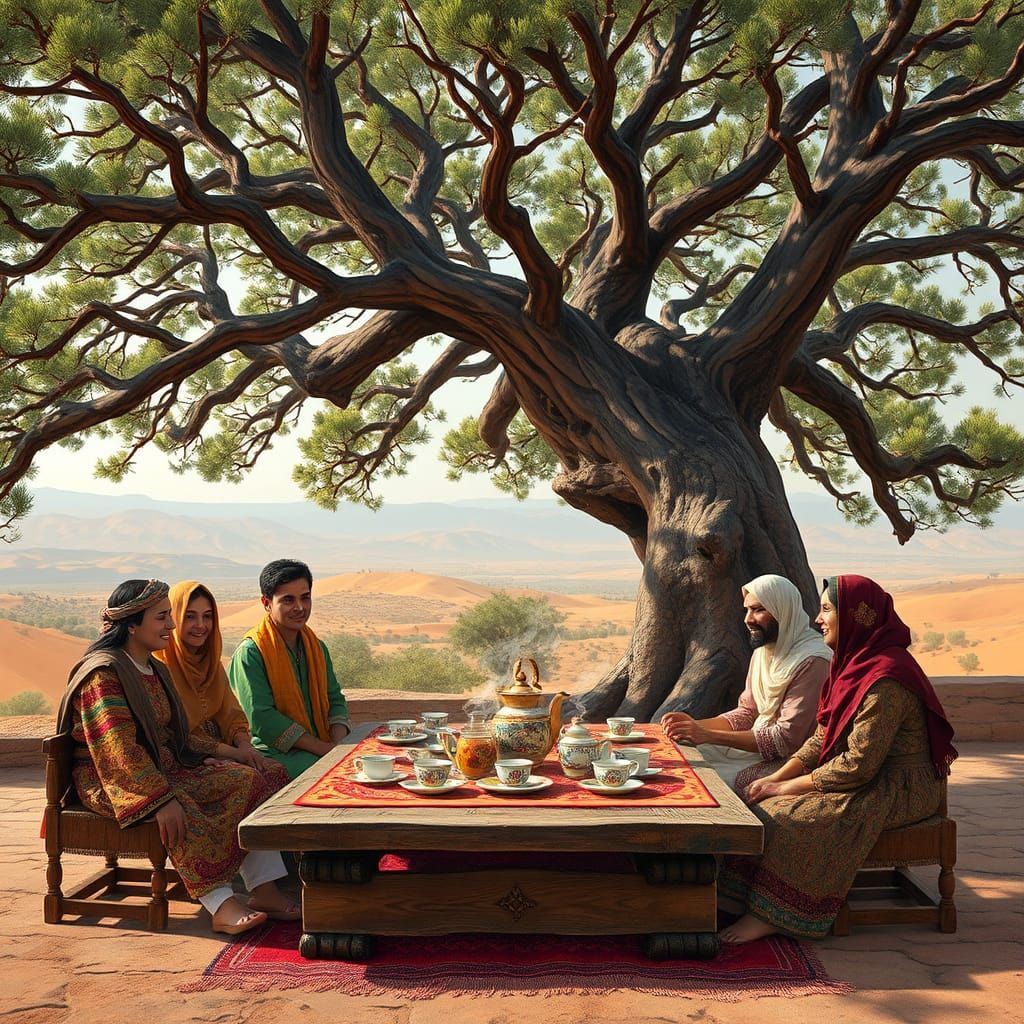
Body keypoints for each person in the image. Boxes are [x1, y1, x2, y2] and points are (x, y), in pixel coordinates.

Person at [717, 574, 958, 944]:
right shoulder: (851, 666)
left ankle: (775, 915)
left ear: (857, 616)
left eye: (827, 609)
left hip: (900, 787)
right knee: (764, 801)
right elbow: (821, 738)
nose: (818, 619)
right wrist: (776, 778)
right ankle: (739, 899)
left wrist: (786, 787)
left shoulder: (886, 679)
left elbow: (858, 765)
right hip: (867, 776)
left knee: (793, 815)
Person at [56, 579, 301, 936]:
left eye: (170, 616)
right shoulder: (104, 675)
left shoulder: (154, 669)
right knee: (182, 808)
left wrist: (231, 757)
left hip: (163, 768)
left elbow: (177, 737)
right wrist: (159, 801)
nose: (171, 626)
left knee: (257, 778)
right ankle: (220, 903)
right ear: (132, 623)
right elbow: (118, 751)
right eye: (162, 618)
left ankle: (263, 889)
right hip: (113, 782)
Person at [661, 574, 831, 789]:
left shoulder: (814, 661)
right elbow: (747, 713)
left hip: (791, 761)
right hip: (755, 748)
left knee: (708, 782)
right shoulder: (764, 653)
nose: (748, 619)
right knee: (679, 757)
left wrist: (706, 734)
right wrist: (690, 727)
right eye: (747, 610)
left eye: (759, 610)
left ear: (782, 611)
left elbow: (787, 740)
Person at [154, 580, 289, 781]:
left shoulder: (211, 664)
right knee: (246, 780)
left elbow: (231, 715)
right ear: (174, 619)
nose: (200, 625)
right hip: (187, 760)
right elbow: (176, 735)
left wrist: (244, 745)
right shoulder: (160, 668)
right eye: (190, 616)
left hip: (226, 751)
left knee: (275, 771)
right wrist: (230, 754)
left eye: (207, 617)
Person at [228, 559, 350, 780]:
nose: (300, 608)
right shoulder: (251, 653)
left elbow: (335, 699)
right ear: (266, 603)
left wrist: (339, 745)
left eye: (305, 597)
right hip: (275, 753)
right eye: (288, 600)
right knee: (332, 776)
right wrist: (325, 750)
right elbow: (263, 718)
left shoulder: (316, 647)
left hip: (322, 744)